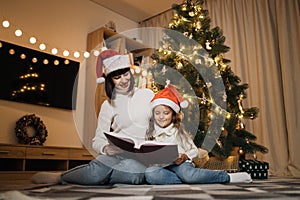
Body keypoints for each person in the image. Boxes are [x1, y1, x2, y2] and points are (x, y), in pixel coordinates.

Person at [31, 48, 154, 185]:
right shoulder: (108, 105)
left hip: (140, 158)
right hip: (117, 154)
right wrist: (106, 148)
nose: (124, 80)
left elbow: (162, 122)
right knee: (95, 173)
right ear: (109, 80)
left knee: (131, 174)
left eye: (126, 74)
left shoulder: (147, 94)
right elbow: (98, 139)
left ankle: (103, 177)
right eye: (117, 78)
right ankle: (61, 177)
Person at [144, 84, 253, 184]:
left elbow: (194, 151)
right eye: (157, 113)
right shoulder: (151, 132)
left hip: (181, 165)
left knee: (189, 174)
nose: (161, 117)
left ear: (173, 114)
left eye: (166, 113)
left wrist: (185, 156)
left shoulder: (179, 131)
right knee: (150, 174)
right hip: (162, 168)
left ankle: (226, 177)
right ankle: (184, 180)